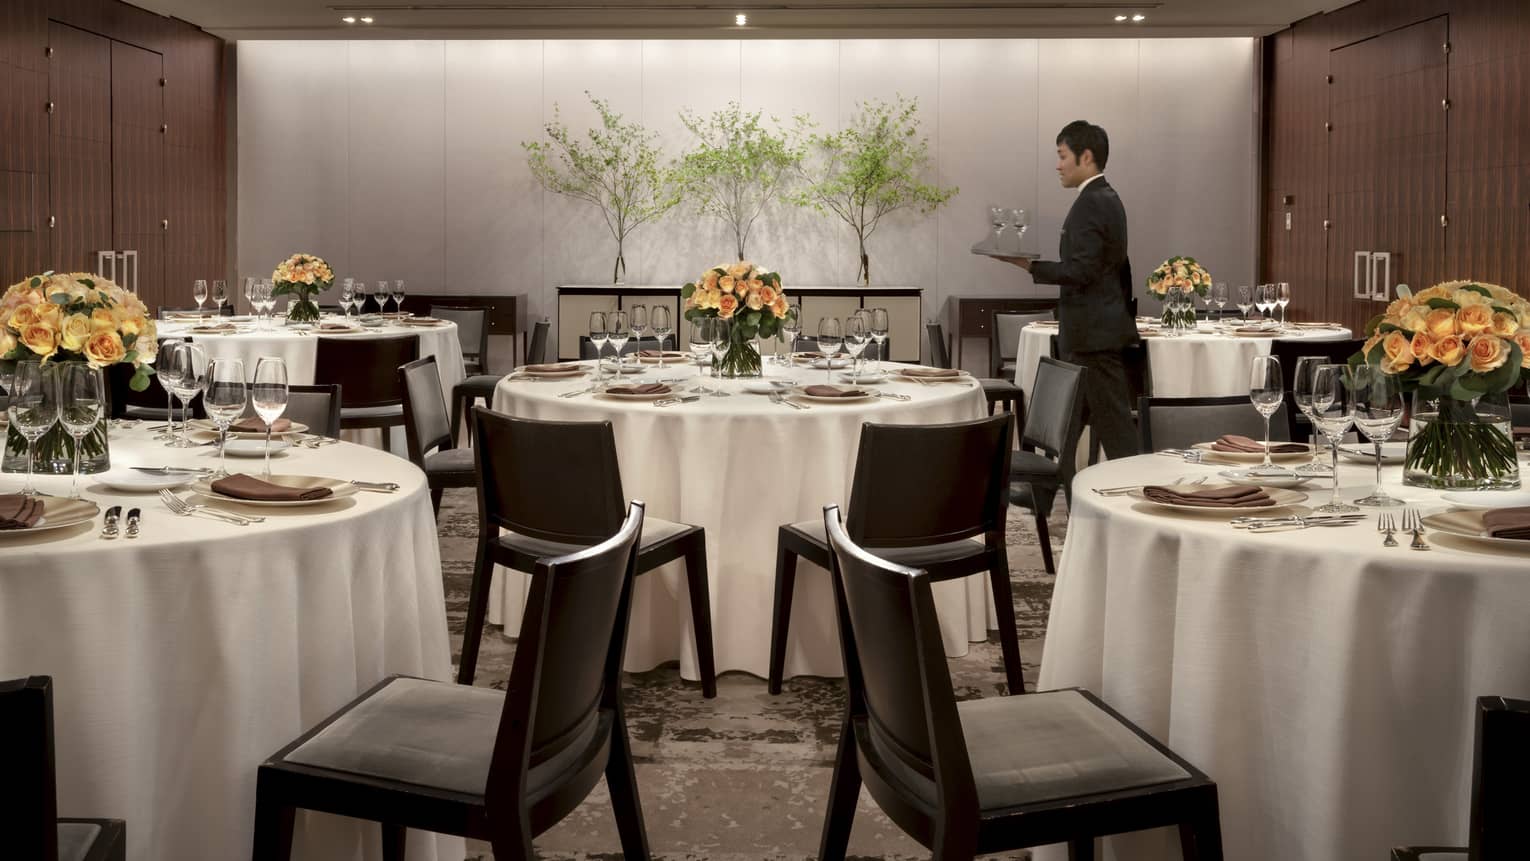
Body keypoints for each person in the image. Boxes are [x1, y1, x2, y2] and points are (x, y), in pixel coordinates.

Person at [1001, 120, 1140, 460]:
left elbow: (1083, 270)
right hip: (1093, 333)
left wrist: (1031, 266)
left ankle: (1138, 495)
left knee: (1117, 435)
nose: (1058, 165)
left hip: (1093, 338)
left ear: (1086, 157)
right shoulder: (1106, 198)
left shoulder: (1092, 202)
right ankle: (1041, 495)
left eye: (1063, 156)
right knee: (1064, 431)